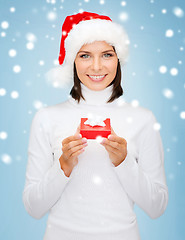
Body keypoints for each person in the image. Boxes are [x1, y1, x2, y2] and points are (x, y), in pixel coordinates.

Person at [23, 11, 168, 240]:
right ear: (72, 60)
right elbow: (34, 207)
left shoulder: (143, 119)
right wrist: (63, 166)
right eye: (85, 55)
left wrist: (124, 162)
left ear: (118, 58)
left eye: (107, 54)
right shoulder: (46, 118)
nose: (97, 66)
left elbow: (157, 206)